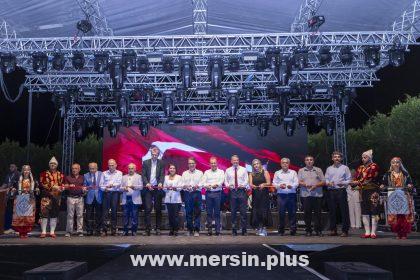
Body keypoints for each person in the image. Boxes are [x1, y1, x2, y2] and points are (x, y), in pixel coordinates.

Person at [380, 157, 415, 239]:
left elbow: (410, 184)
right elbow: (383, 184)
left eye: (397, 162)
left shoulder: (405, 173)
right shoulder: (387, 174)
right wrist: (382, 186)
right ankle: (398, 233)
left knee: (404, 215)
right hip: (393, 196)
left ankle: (404, 234)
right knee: (395, 215)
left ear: (400, 164)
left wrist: (410, 186)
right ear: (391, 164)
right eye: (393, 162)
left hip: (404, 195)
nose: (395, 164)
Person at [350, 150, 380, 238]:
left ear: (370, 158)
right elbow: (356, 178)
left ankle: (373, 232)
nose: (363, 159)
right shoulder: (360, 168)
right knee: (364, 211)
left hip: (373, 191)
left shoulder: (374, 166)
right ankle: (367, 232)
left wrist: (355, 183)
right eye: (362, 157)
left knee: (374, 211)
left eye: (365, 157)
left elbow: (368, 179)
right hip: (363, 191)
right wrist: (351, 183)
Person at [325, 151, 351, 237]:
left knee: (344, 211)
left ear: (341, 158)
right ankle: (333, 230)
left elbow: (349, 180)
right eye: (335, 157)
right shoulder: (329, 168)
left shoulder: (345, 168)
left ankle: (345, 231)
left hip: (341, 191)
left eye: (338, 157)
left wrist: (343, 183)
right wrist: (328, 183)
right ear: (332, 158)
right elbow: (326, 179)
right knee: (332, 211)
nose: (337, 158)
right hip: (331, 191)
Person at [298, 155, 325, 237]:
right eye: (307, 160)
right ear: (305, 161)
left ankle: (318, 230)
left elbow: (323, 181)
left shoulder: (318, 170)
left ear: (313, 161)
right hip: (306, 195)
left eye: (311, 160)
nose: (309, 161)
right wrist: (305, 184)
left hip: (317, 195)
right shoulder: (301, 170)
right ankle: (308, 231)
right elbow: (298, 181)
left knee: (318, 214)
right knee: (307, 214)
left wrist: (316, 185)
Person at [141, 145, 165, 236]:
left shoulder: (161, 163)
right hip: (148, 189)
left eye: (156, 155)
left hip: (157, 188)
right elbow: (143, 175)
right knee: (147, 209)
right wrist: (147, 184)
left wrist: (160, 183)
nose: (154, 156)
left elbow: (162, 175)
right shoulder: (146, 162)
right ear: (151, 154)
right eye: (153, 154)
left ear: (158, 155)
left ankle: (158, 228)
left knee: (158, 209)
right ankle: (147, 229)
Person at [273, 158, 299, 236]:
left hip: (291, 195)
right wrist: (279, 185)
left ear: (289, 164)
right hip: (281, 195)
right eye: (283, 163)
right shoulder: (277, 173)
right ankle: (281, 230)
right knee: (281, 213)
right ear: (281, 164)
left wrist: (292, 186)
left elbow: (296, 182)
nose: (285, 164)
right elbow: (274, 183)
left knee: (292, 213)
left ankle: (293, 230)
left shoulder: (293, 172)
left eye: (286, 163)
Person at [39, 157, 64, 238]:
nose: (52, 165)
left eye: (54, 164)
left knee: (54, 214)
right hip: (46, 197)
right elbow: (42, 184)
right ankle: (43, 232)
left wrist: (62, 188)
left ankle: (52, 232)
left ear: (56, 165)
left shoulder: (61, 174)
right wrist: (54, 187)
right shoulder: (43, 173)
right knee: (44, 214)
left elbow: (63, 185)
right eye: (51, 164)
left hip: (57, 197)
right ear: (49, 165)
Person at [224, 155, 249, 236]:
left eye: (237, 160)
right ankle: (234, 230)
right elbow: (226, 181)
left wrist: (243, 185)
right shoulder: (228, 170)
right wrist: (228, 185)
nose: (235, 162)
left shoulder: (244, 169)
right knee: (233, 212)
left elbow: (246, 180)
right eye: (234, 160)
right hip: (233, 192)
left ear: (239, 161)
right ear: (231, 161)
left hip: (242, 192)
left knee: (243, 212)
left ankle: (244, 230)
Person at [200, 157, 225, 236]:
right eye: (212, 163)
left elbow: (221, 180)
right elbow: (203, 183)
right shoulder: (206, 172)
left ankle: (217, 230)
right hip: (209, 193)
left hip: (217, 193)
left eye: (214, 163)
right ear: (209, 164)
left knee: (217, 213)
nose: (213, 164)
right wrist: (208, 186)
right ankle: (209, 231)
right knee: (209, 213)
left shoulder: (221, 172)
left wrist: (217, 184)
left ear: (217, 163)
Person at [12, 165, 37, 238]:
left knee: (27, 216)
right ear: (22, 171)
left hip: (29, 199)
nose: (26, 171)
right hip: (20, 198)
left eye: (28, 170)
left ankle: (25, 232)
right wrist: (14, 189)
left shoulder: (33, 180)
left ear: (30, 171)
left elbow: (37, 187)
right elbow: (14, 186)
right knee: (20, 216)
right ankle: (20, 232)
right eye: (25, 170)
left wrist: (36, 189)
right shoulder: (18, 179)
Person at [181, 157, 204, 236]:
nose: (191, 165)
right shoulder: (184, 173)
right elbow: (182, 184)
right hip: (188, 194)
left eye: (192, 163)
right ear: (188, 164)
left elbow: (202, 183)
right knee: (188, 212)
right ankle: (189, 229)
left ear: (195, 164)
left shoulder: (200, 173)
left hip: (197, 193)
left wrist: (197, 186)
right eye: (190, 163)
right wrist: (185, 186)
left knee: (197, 212)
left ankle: (197, 230)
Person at [100, 159, 123, 236]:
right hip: (106, 193)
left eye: (112, 165)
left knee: (114, 212)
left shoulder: (119, 173)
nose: (111, 166)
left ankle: (113, 230)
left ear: (116, 165)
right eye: (109, 165)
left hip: (115, 193)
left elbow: (119, 183)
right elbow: (101, 185)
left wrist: (111, 185)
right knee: (105, 213)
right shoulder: (104, 173)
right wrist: (104, 189)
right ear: (108, 165)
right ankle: (104, 230)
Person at [63, 163, 87, 237]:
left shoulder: (83, 177)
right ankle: (69, 231)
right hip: (70, 198)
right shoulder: (68, 177)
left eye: (76, 168)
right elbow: (65, 187)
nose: (74, 170)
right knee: (70, 215)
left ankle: (80, 231)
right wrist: (67, 186)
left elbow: (85, 187)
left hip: (80, 198)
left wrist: (84, 190)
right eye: (73, 168)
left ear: (79, 169)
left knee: (80, 215)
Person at [249, 159, 271, 236]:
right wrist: (252, 186)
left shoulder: (265, 172)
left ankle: (264, 229)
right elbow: (250, 184)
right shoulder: (251, 174)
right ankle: (259, 228)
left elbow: (269, 183)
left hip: (264, 194)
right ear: (253, 166)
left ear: (260, 164)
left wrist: (264, 184)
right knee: (256, 211)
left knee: (264, 211)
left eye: (257, 163)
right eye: (254, 164)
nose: (256, 165)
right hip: (255, 194)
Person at [120, 163, 143, 236]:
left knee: (134, 215)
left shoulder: (139, 177)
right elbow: (120, 188)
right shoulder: (123, 177)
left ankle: (134, 230)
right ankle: (125, 230)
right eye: (129, 168)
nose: (130, 170)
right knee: (125, 215)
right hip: (126, 198)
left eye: (132, 168)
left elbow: (141, 187)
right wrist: (124, 188)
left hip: (135, 198)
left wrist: (134, 187)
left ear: (135, 169)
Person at [84, 162, 103, 236]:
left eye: (93, 168)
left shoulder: (102, 174)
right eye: (90, 169)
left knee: (99, 214)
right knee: (88, 215)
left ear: (97, 168)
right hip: (89, 197)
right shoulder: (86, 175)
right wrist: (85, 188)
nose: (92, 170)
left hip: (99, 197)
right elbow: (84, 185)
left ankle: (98, 230)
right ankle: (89, 230)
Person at [163, 164, 183, 236]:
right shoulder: (165, 177)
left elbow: (180, 187)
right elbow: (164, 188)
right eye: (170, 168)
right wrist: (167, 188)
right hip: (168, 199)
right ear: (169, 169)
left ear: (175, 169)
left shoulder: (179, 177)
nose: (172, 169)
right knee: (170, 215)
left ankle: (176, 230)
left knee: (175, 216)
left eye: (173, 168)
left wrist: (175, 188)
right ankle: (171, 229)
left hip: (176, 199)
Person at [1, 163, 20, 234]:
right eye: (10, 166)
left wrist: (13, 188)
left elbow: (19, 184)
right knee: (8, 211)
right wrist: (0, 189)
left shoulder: (19, 174)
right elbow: (5, 184)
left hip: (16, 196)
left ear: (16, 167)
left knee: (15, 212)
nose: (11, 167)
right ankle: (8, 227)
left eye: (13, 166)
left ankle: (15, 228)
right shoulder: (8, 175)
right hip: (8, 196)